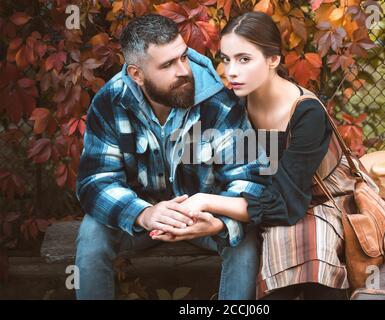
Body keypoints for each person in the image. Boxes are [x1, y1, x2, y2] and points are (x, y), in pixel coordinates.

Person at [162, 11, 361, 299]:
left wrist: (205, 201)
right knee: (268, 253)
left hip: (319, 197)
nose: (231, 71)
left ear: (273, 60)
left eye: (244, 59)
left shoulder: (306, 112)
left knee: (314, 251)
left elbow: (286, 206)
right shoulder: (232, 105)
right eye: (226, 59)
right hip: (261, 197)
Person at [75, 14, 268, 300]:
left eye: (183, 57)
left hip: (203, 218)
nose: (183, 71)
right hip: (139, 219)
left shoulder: (219, 102)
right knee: (92, 235)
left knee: (244, 240)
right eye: (167, 65)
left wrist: (220, 223)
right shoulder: (109, 102)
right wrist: (143, 213)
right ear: (136, 74)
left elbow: (251, 178)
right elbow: (95, 181)